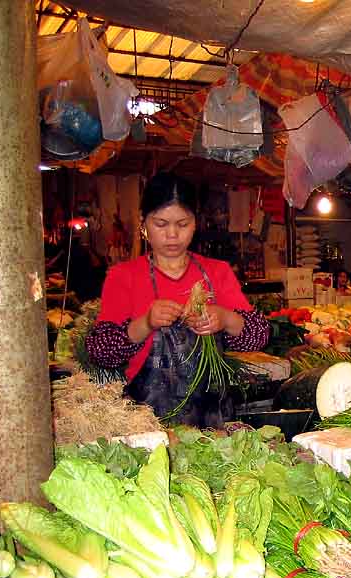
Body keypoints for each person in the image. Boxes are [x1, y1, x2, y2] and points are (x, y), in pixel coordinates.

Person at [86, 172, 269, 427]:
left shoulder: (217, 272)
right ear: (143, 223)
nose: (172, 234)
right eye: (160, 224)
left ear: (196, 223)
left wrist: (226, 319)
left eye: (182, 224)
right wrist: (146, 323)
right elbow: (101, 351)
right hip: (146, 420)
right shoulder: (123, 276)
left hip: (211, 419)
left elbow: (259, 335)